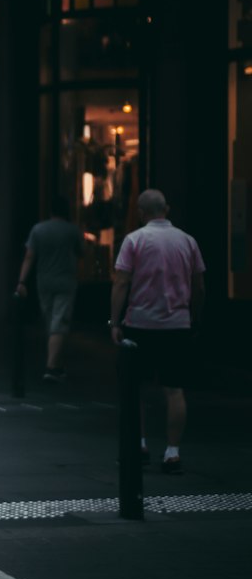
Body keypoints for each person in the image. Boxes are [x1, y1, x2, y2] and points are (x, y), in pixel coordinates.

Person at [110, 188, 205, 473]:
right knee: (174, 390)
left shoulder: (134, 240)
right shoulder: (187, 241)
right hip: (177, 324)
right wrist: (194, 320)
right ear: (168, 209)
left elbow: (122, 283)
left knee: (134, 388)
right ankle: (173, 451)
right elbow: (199, 287)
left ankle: (139, 444)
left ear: (141, 213)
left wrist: (115, 322)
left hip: (140, 323)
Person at [16, 197, 84, 383]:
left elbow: (29, 256)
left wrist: (22, 281)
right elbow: (81, 252)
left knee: (50, 320)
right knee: (59, 322)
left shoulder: (38, 229)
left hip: (43, 280)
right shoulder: (72, 230)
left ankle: (58, 364)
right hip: (66, 280)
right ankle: (52, 367)